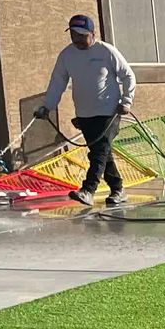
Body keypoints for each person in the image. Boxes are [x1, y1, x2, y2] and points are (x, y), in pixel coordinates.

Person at [36, 14, 135, 208]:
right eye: (74, 34)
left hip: (109, 111)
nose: (78, 39)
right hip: (84, 113)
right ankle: (118, 189)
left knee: (99, 151)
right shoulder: (67, 56)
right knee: (102, 153)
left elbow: (128, 75)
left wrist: (127, 100)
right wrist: (47, 106)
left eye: (82, 35)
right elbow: (57, 82)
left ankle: (88, 190)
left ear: (93, 33)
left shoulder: (106, 51)